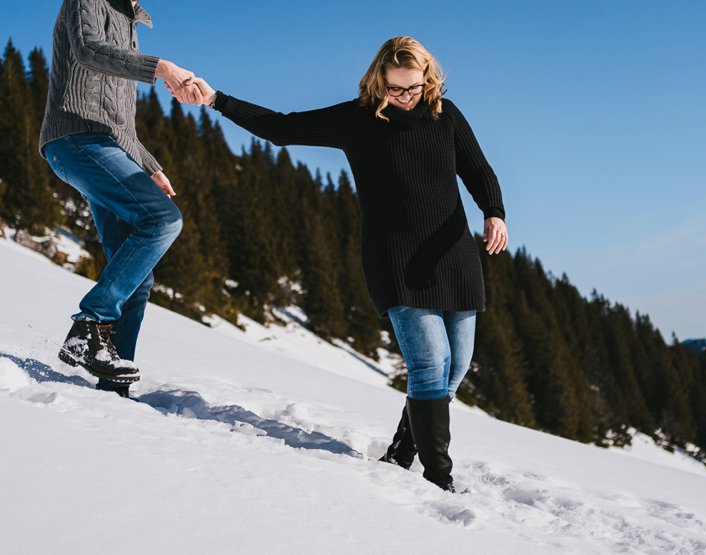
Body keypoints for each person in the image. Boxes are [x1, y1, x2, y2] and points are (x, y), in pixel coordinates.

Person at [184, 36, 508, 491]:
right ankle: (439, 479)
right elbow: (282, 128)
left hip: (453, 255)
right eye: (396, 89)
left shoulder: (445, 115)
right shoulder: (357, 120)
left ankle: (400, 454)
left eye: (414, 88)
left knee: (454, 370)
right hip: (396, 259)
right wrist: (217, 99)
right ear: (380, 81)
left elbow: (479, 171)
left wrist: (494, 212)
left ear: (428, 79)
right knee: (429, 366)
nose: (405, 98)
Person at [39, 0, 205, 397]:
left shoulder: (131, 26)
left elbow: (121, 121)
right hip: (73, 137)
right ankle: (89, 325)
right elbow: (90, 51)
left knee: (136, 274)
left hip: (108, 146)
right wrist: (162, 68)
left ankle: (114, 386)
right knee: (162, 220)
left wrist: (148, 164)